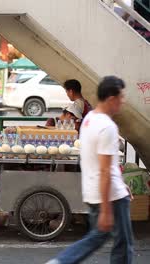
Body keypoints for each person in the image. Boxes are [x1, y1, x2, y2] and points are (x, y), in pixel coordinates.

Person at [46, 76, 133, 264]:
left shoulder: (90, 120)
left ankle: (60, 262)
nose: (123, 102)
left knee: (97, 238)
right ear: (111, 99)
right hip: (111, 197)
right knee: (123, 245)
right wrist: (107, 210)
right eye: (121, 97)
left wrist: (121, 183)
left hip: (94, 193)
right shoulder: (107, 127)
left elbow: (101, 164)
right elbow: (105, 170)